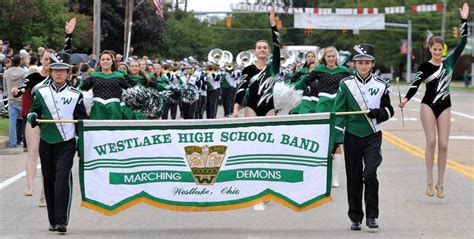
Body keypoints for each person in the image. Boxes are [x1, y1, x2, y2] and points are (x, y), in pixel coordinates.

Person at [399, 3, 469, 199]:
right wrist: (405, 99)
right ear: (430, 49)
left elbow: (463, 43)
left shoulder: (449, 62)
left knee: (444, 145)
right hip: (427, 105)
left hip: (445, 105)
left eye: (440, 49)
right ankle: (429, 181)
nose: (438, 52)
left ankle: (441, 183)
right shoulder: (424, 66)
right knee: (431, 141)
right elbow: (414, 84)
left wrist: (464, 21)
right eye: (435, 49)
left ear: (443, 49)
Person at [13, 17, 76, 203]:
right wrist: (16, 92)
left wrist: (68, 34)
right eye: (45, 59)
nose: (48, 62)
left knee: (49, 159)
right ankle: (30, 184)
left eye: (51, 59)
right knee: (32, 151)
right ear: (41, 59)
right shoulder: (33, 76)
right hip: (35, 119)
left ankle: (44, 194)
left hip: (53, 120)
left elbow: (66, 51)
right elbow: (22, 89)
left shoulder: (58, 77)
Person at [334, 44, 394, 230]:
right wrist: (336, 140)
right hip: (352, 135)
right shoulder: (346, 84)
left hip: (373, 135)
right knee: (353, 177)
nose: (363, 65)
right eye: (360, 62)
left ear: (372, 64)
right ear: (354, 64)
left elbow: (389, 110)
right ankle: (355, 217)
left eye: (367, 62)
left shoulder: (382, 85)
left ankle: (372, 216)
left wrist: (378, 113)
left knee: (370, 173)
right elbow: (338, 113)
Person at [27, 52, 88, 234]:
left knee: (62, 179)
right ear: (51, 71)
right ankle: (52, 220)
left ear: (68, 73)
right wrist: (32, 117)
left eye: (62, 71)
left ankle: (62, 221)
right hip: (46, 142)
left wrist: (82, 144)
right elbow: (34, 111)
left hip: (66, 142)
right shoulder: (41, 92)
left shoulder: (76, 94)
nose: (59, 74)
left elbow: (81, 121)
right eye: (55, 70)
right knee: (49, 179)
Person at [297, 46, 351, 187]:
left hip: (339, 108)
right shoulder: (319, 70)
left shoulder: (344, 71)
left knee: (337, 141)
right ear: (324, 58)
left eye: (333, 56)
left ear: (336, 57)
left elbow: (355, 86)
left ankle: (335, 178)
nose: (331, 58)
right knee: (322, 140)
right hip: (323, 107)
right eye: (329, 56)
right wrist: (288, 88)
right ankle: (321, 175)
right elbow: (304, 82)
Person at [233, 7, 280, 118]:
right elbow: (241, 89)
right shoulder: (248, 69)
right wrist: (236, 108)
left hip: (269, 106)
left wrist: (273, 24)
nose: (262, 49)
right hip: (251, 107)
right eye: (259, 48)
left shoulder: (273, 67)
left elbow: (277, 45)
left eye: (265, 47)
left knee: (270, 133)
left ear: (268, 51)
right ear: (255, 52)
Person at [3, 55, 26, 148]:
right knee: (24, 120)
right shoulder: (24, 72)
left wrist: (7, 93)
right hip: (21, 99)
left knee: (12, 121)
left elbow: (4, 87)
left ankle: (13, 142)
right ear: (20, 62)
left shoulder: (7, 73)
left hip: (11, 99)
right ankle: (25, 141)